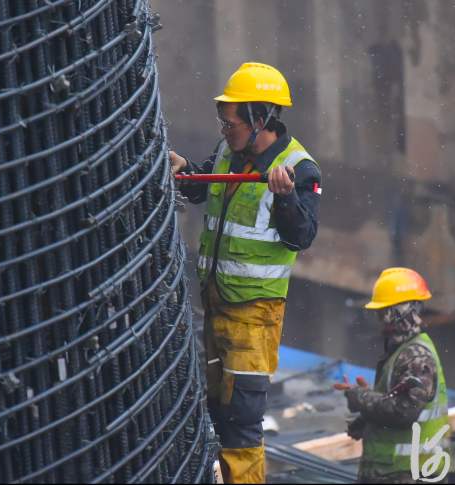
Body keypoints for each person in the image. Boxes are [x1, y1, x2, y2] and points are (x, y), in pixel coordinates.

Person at [170, 62, 322, 484]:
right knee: (217, 413)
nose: (224, 130)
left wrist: (286, 198)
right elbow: (204, 187)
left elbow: (301, 236)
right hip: (218, 307)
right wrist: (183, 171)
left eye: (230, 122)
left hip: (254, 318)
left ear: (260, 119)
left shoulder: (299, 169)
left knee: (241, 426)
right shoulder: (230, 153)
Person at [334, 268, 449, 483]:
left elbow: (403, 412)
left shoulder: (416, 357)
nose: (381, 320)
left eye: (385, 312)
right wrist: (369, 419)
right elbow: (396, 403)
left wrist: (361, 398)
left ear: (401, 311)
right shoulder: (403, 351)